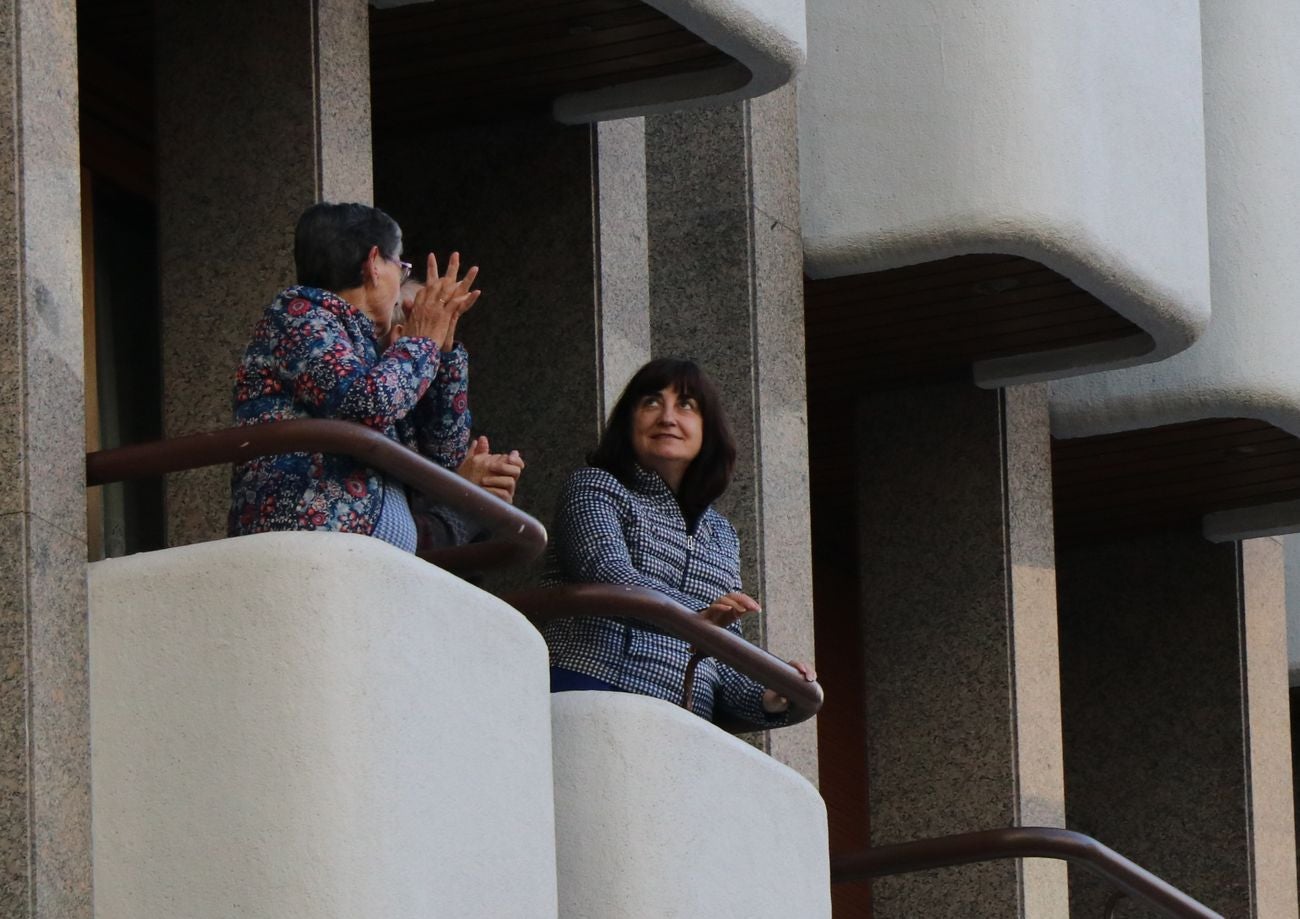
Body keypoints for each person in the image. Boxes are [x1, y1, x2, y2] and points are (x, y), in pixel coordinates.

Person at [228, 201, 523, 549]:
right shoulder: (298, 316)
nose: (402, 283)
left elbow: (445, 456)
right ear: (374, 264)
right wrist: (422, 341)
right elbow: (365, 405)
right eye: (401, 267)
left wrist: (442, 354)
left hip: (370, 560)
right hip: (304, 544)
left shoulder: (370, 349)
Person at [542, 358, 816, 725]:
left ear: (707, 429)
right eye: (651, 402)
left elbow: (721, 659)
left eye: (686, 404)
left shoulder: (721, 533)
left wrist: (771, 691)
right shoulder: (595, 486)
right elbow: (607, 574)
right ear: (628, 422)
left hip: (684, 726)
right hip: (591, 687)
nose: (667, 417)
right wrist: (699, 617)